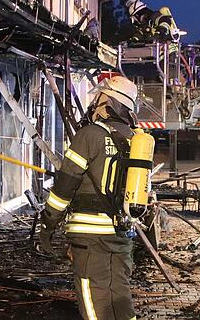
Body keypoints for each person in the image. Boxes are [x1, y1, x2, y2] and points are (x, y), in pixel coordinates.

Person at [39, 76, 140, 320]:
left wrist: (47, 225)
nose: (94, 102)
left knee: (93, 299)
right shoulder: (136, 140)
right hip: (122, 233)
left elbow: (64, 187)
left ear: (108, 101)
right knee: (119, 296)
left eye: (99, 97)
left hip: (90, 237)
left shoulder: (89, 135)